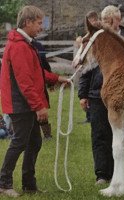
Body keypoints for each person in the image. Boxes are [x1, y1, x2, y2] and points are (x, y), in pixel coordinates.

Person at [0, 5, 68, 197]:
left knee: (34, 142)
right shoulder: (20, 46)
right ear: (28, 22)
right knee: (20, 142)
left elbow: (35, 73)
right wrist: (39, 107)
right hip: (19, 104)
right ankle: (4, 183)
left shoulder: (24, 43)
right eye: (39, 23)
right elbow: (25, 82)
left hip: (23, 103)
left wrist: (56, 78)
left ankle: (29, 185)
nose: (41, 27)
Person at [78, 6, 124, 185]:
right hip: (97, 94)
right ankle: (102, 175)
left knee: (120, 135)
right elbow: (86, 69)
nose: (105, 24)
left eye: (108, 20)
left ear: (117, 20)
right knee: (99, 135)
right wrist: (83, 94)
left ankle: (117, 174)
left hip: (123, 96)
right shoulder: (97, 40)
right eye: (103, 20)